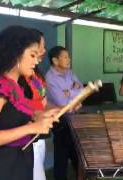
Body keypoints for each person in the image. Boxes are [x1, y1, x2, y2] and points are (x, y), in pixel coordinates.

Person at [0, 26, 59, 180]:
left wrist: (39, 115)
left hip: (19, 162)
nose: (36, 61)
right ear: (15, 55)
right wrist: (32, 127)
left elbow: (14, 116)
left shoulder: (16, 85)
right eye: (32, 55)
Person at [45, 46, 83, 180]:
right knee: (62, 155)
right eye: (65, 57)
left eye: (68, 56)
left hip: (74, 118)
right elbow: (62, 102)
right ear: (55, 61)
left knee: (75, 152)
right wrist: (74, 94)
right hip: (61, 121)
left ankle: (80, 175)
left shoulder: (70, 73)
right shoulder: (50, 78)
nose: (69, 59)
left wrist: (70, 92)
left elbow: (82, 90)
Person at [18, 29, 48, 180]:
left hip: (38, 132)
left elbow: (41, 99)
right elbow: (20, 107)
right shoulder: (15, 79)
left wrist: (46, 112)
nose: (43, 50)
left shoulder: (35, 73)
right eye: (38, 48)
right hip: (27, 135)